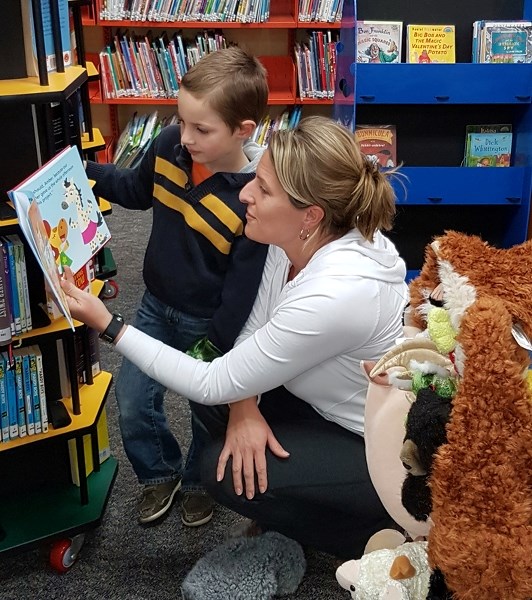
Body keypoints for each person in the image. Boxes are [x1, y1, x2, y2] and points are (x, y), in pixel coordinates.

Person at [62, 116, 409, 558]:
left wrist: (108, 324)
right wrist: (244, 404)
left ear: (311, 215)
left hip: (379, 446)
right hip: (321, 401)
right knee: (223, 409)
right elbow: (252, 328)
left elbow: (213, 380)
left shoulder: (336, 293)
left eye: (262, 189)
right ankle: (307, 497)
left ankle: (380, 535)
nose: (244, 192)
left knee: (220, 473)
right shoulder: (291, 241)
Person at [84, 46, 269, 527]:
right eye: (180, 121)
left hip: (207, 321)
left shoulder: (253, 200)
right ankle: (158, 475)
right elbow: (133, 189)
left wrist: (217, 343)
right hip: (152, 306)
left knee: (207, 412)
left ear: (243, 131)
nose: (185, 137)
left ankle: (197, 481)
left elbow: (243, 288)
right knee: (130, 401)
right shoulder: (169, 144)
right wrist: (84, 173)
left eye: (201, 129)